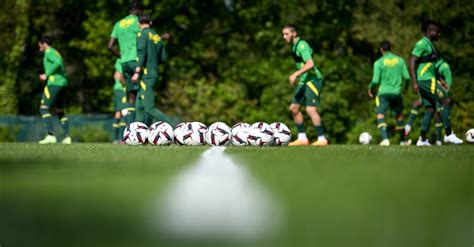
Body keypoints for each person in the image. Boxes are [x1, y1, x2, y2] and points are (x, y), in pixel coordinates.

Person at [409, 21, 462, 146]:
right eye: (438, 32)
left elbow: (427, 64)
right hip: (426, 81)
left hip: (429, 79)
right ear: (430, 32)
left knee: (430, 108)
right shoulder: (422, 44)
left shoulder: (430, 45)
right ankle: (449, 134)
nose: (439, 34)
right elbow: (412, 61)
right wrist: (414, 83)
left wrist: (440, 78)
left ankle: (422, 139)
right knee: (445, 100)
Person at [281, 24, 328, 146]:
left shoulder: (302, 45)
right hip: (304, 80)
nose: (284, 36)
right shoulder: (294, 46)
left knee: (310, 110)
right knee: (294, 108)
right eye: (283, 34)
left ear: (294, 33)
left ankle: (322, 139)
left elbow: (310, 64)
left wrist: (296, 74)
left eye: (286, 34)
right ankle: (302, 138)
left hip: (313, 80)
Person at [131, 14, 172, 125]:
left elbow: (142, 53)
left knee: (149, 108)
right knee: (139, 106)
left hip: (146, 75)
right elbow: (163, 57)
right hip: (154, 73)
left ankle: (175, 128)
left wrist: (136, 72)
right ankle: (139, 132)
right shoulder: (156, 36)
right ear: (151, 23)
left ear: (138, 23)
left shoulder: (141, 35)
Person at [368, 41, 411, 146]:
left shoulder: (378, 62)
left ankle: (385, 139)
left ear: (381, 50)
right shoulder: (400, 61)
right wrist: (405, 89)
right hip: (396, 93)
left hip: (383, 93)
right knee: (399, 115)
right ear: (391, 48)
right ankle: (403, 141)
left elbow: (375, 81)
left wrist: (370, 88)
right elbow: (408, 77)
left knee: (380, 114)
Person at [405, 57, 452, 145]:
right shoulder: (430, 65)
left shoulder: (444, 66)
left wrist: (442, 95)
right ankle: (419, 135)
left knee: (435, 115)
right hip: (430, 91)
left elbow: (448, 82)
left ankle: (437, 140)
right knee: (426, 108)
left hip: (438, 93)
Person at [108, 2, 142, 124]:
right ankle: (143, 126)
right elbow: (147, 36)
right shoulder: (138, 22)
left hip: (125, 63)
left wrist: (121, 56)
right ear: (138, 10)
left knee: (131, 96)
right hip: (136, 61)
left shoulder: (118, 24)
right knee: (144, 92)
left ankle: (131, 130)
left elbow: (110, 46)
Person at [37, 35, 71, 144]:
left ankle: (51, 135)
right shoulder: (55, 51)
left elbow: (58, 62)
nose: (39, 48)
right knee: (59, 110)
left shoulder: (49, 52)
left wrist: (47, 74)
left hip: (54, 83)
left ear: (44, 44)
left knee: (43, 108)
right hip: (63, 83)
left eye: (40, 46)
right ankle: (67, 137)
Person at [112, 58, 127, 143]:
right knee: (124, 112)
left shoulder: (118, 60)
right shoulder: (122, 59)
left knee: (118, 112)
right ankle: (121, 139)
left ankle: (115, 139)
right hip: (121, 90)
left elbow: (115, 75)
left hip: (117, 89)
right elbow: (119, 75)